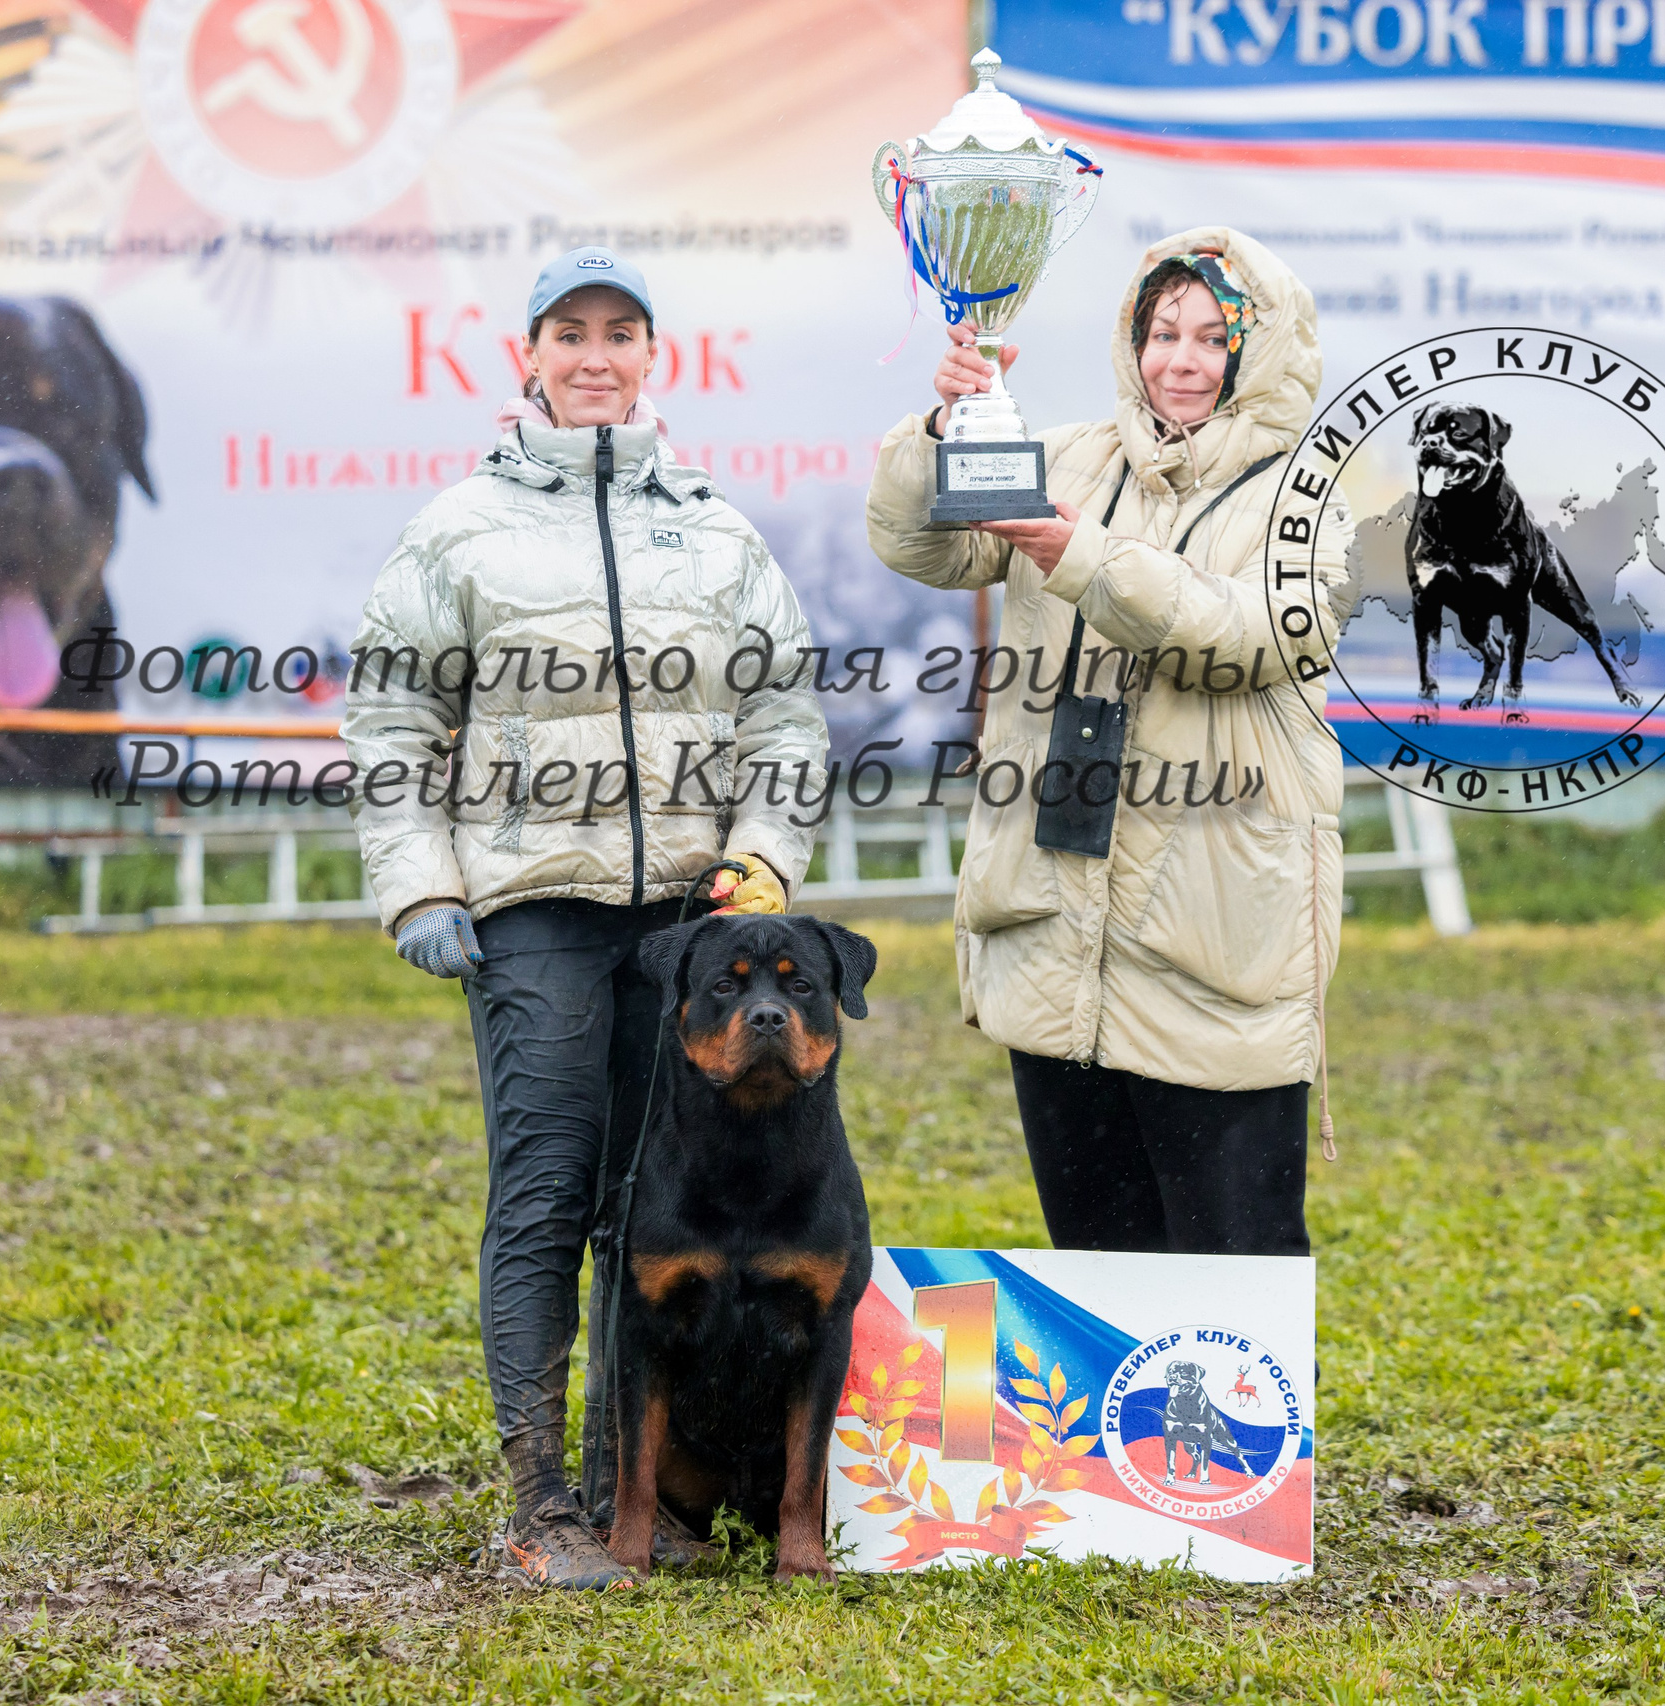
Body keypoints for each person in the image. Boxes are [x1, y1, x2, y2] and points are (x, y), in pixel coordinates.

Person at [345, 247, 826, 1590]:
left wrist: (762, 854)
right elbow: (390, 720)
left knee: (645, 1213)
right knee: (548, 1200)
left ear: (654, 356)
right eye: (572, 332)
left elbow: (783, 714)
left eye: (623, 332)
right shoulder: (457, 531)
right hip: (530, 922)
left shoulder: (718, 531)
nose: (597, 354)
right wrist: (423, 883)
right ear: (527, 357)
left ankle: (635, 1497)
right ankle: (537, 1498)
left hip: (686, 930)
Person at [865, 226, 1351, 1258]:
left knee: (1232, 1260)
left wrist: (1079, 554)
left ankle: (1239, 1430)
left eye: (1213, 337)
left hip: (1213, 937)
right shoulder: (1079, 454)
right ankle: (1113, 1428)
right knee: (1097, 1260)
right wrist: (945, 428)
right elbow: (923, 545)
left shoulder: (1313, 494)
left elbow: (1251, 633)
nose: (1179, 359)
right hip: (1056, 931)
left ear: (1260, 352)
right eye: (1160, 330)